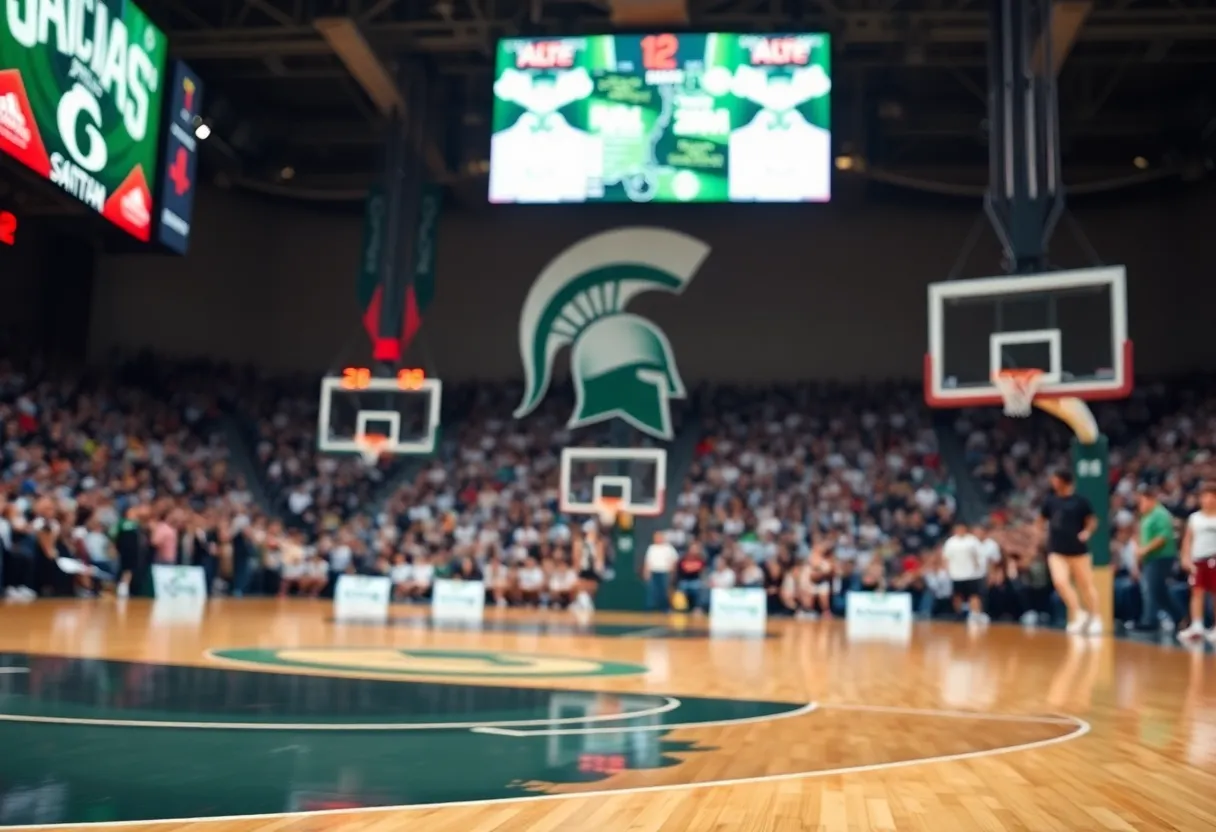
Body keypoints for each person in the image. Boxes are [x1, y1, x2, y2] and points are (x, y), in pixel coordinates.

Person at [1036, 469, 1101, 634]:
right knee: (1060, 582)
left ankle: (1095, 617)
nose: (1053, 483)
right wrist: (1040, 533)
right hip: (1057, 550)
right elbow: (1040, 521)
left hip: (1079, 551)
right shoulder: (1050, 501)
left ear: (1064, 481)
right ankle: (1078, 613)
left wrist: (1086, 532)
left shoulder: (1080, 501)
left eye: (1055, 479)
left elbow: (1092, 521)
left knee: (1086, 585)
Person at [1135, 486, 1184, 633]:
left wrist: (1145, 549)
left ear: (1150, 500)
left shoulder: (1160, 514)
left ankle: (1150, 620)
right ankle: (1179, 616)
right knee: (1159, 591)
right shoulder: (1147, 515)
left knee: (1150, 588)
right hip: (1150, 558)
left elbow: (1162, 537)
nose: (1140, 505)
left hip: (1161, 556)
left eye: (1142, 501)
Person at [1178, 483, 1216, 643]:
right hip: (1197, 560)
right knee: (1197, 592)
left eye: (1211, 496)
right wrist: (1185, 557)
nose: (1207, 499)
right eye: (1204, 496)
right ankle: (1197, 625)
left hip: (1213, 559)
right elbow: (1188, 539)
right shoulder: (1195, 518)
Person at [942, 523, 987, 624]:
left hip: (972, 574)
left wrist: (979, 568)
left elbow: (979, 555)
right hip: (956, 574)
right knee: (957, 595)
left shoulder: (972, 541)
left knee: (974, 595)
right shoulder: (951, 542)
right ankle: (958, 614)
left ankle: (975, 614)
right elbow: (946, 557)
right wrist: (947, 570)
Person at [642, 531, 677, 612]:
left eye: (658, 537)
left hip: (665, 572)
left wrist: (672, 571)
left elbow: (674, 560)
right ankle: (650, 608)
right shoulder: (652, 548)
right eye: (655, 537)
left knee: (664, 591)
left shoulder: (668, 548)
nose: (657, 539)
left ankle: (665, 608)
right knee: (652, 591)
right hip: (654, 572)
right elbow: (647, 561)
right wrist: (646, 572)